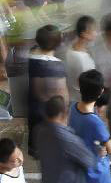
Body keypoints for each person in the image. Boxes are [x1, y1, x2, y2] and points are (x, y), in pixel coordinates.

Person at [36, 95, 97, 183]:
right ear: (63, 114)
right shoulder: (66, 137)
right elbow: (90, 160)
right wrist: (97, 151)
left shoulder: (40, 131)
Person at [27, 24, 66, 158]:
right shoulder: (56, 66)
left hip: (34, 115)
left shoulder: (30, 59)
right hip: (50, 118)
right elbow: (61, 96)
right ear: (57, 44)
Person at [65, 16, 97, 104]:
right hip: (82, 100)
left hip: (73, 97)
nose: (96, 33)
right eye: (93, 30)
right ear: (84, 34)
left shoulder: (71, 47)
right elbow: (89, 84)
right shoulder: (82, 60)